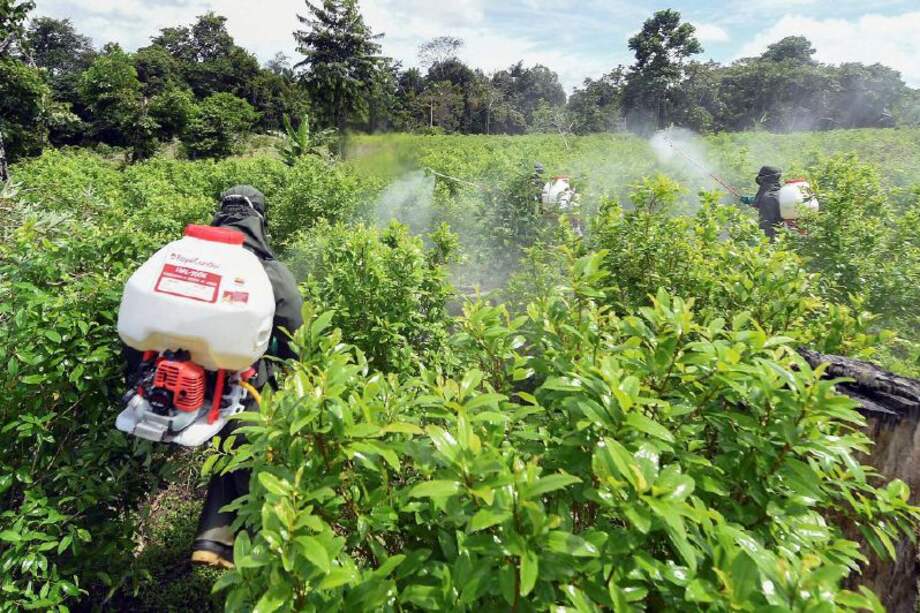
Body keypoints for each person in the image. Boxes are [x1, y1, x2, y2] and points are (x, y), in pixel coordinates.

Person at [740, 166, 783, 240]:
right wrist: (751, 200)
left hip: (777, 240)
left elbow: (767, 226)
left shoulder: (767, 198)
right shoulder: (782, 193)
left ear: (763, 180)